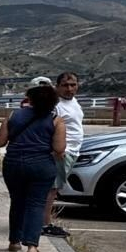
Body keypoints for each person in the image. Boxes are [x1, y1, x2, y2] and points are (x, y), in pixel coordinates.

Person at [0, 78, 67, 252]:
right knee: (36, 204)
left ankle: (14, 242)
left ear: (30, 99)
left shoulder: (13, 116)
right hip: (42, 165)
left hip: (13, 164)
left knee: (17, 201)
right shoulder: (56, 121)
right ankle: (32, 247)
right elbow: (59, 149)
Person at [41, 71, 83, 237]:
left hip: (72, 151)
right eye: (65, 85)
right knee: (51, 189)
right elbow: (48, 128)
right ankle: (45, 224)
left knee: (54, 189)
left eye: (73, 85)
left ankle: (42, 222)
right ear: (57, 87)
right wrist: (56, 150)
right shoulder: (56, 105)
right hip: (62, 152)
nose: (69, 89)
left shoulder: (73, 102)